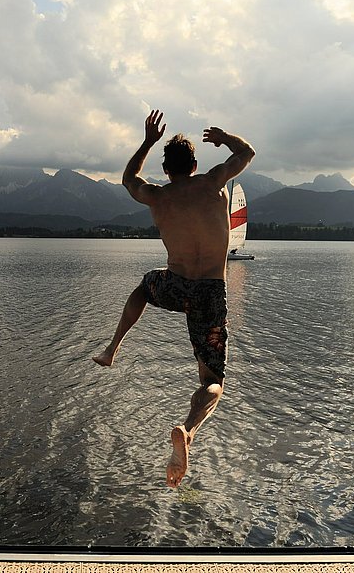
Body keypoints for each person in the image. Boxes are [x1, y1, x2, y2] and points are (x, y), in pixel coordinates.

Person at [93, 109, 255, 488]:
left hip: (176, 284)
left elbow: (128, 179)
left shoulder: (158, 197)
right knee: (212, 380)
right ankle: (188, 428)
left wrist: (147, 142)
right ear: (195, 164)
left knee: (143, 287)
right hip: (210, 292)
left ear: (166, 170)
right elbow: (247, 153)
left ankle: (113, 349)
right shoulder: (215, 183)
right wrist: (225, 137)